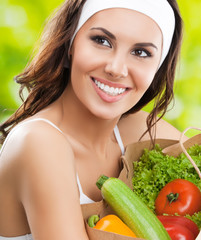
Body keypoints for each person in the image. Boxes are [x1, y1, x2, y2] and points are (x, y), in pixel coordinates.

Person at [0, 0, 183, 239]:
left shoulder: (136, 129)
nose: (117, 68)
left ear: (157, 68)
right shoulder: (38, 142)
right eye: (102, 41)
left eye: (141, 52)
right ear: (69, 44)